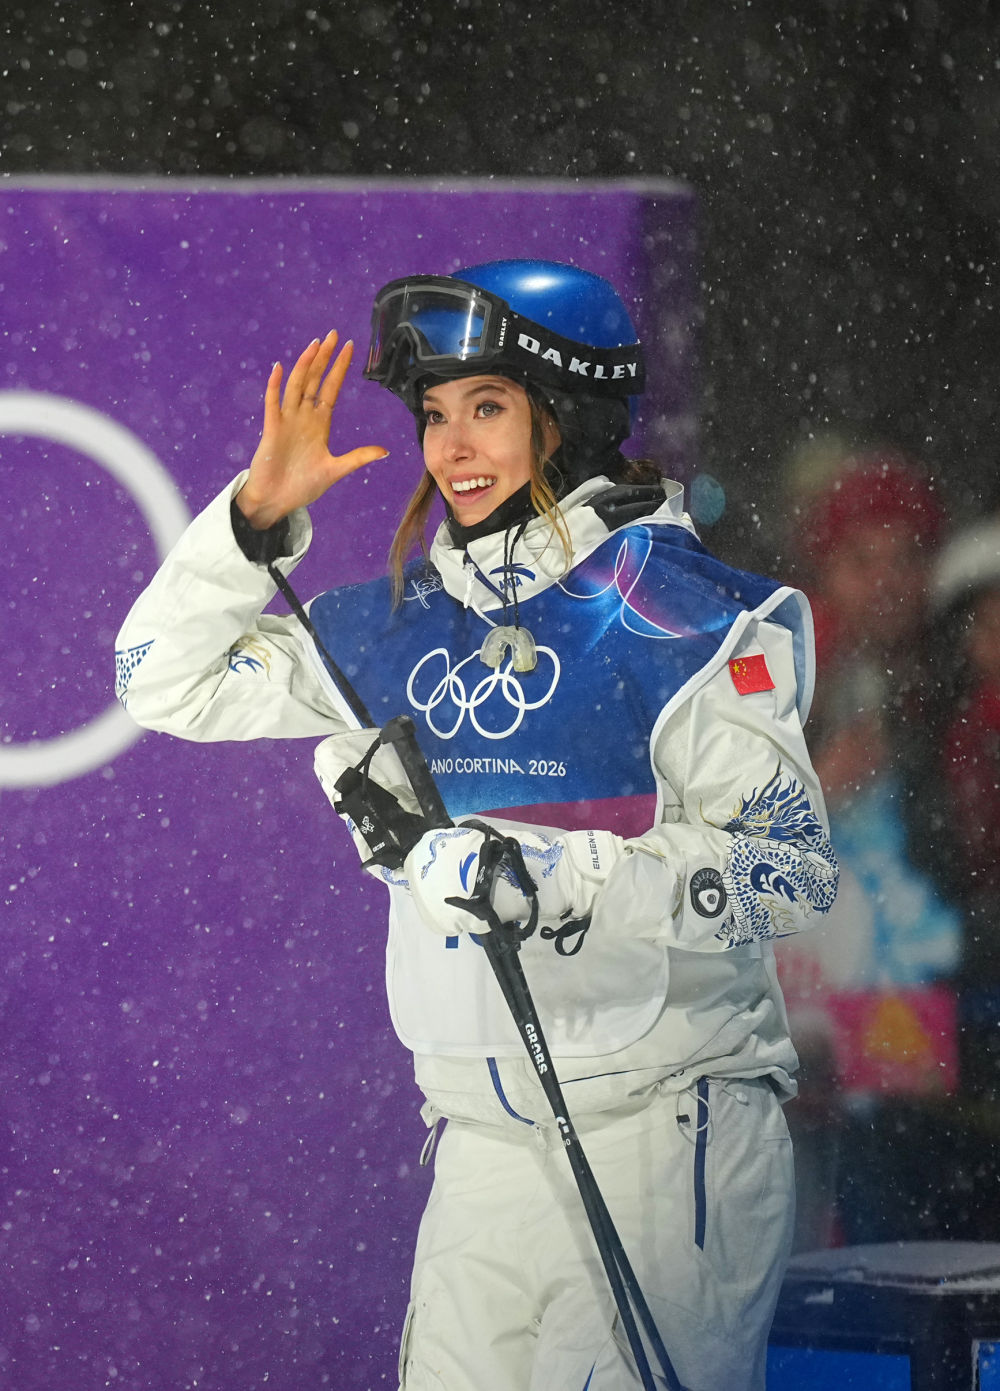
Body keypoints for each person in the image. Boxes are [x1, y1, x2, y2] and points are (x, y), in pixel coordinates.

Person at [115, 260, 838, 1391]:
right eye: (435, 414)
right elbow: (157, 679)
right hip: (480, 1147)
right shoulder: (395, 625)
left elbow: (788, 872)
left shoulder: (688, 619)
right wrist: (253, 518)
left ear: (572, 415)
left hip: (664, 1137)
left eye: (487, 408)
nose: (450, 447)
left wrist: (556, 876)